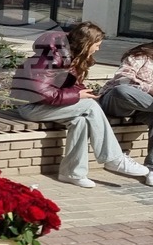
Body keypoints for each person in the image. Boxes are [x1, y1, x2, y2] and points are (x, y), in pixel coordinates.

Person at [11, 22, 148, 188]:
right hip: (31, 106)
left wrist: (83, 92)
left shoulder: (71, 55)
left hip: (46, 104)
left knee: (81, 120)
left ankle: (71, 173)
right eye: (97, 45)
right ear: (87, 43)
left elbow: (69, 85)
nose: (98, 49)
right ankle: (113, 158)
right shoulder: (49, 58)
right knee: (89, 107)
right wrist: (78, 95)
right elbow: (42, 93)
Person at [97, 43, 153, 186]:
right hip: (118, 101)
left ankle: (151, 168)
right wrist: (150, 89)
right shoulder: (140, 55)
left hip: (144, 109)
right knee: (122, 90)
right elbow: (123, 79)